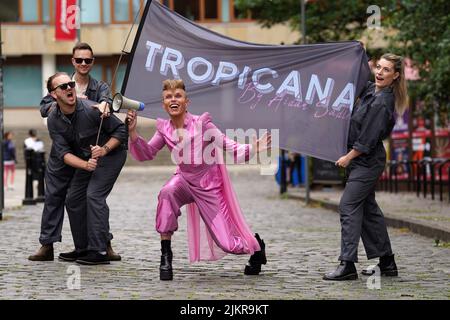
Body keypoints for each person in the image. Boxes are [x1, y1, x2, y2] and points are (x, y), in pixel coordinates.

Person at [127, 79, 271, 280]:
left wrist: (252, 149)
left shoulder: (203, 124)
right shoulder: (164, 129)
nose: (173, 99)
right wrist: (133, 133)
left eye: (178, 96)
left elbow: (227, 144)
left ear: (187, 102)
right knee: (167, 193)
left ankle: (255, 247)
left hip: (209, 185)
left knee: (227, 244)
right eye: (169, 97)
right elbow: (147, 153)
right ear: (164, 104)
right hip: (184, 180)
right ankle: (165, 256)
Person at [29, 42, 118, 261]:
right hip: (64, 150)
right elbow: (44, 108)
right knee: (54, 197)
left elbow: (107, 104)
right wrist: (65, 103)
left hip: (89, 150)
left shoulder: (100, 87)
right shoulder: (62, 83)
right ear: (73, 61)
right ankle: (47, 244)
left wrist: (102, 105)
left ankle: (103, 244)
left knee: (93, 198)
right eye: (79, 60)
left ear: (92, 62)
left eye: (88, 60)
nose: (83, 64)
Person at [323, 53, 409, 281]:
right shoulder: (372, 90)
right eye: (378, 67)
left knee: (348, 206)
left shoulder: (382, 102)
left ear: (396, 75)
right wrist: (357, 53)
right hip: (361, 161)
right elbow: (358, 77)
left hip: (366, 161)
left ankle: (347, 264)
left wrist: (348, 157)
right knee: (368, 210)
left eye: (386, 70)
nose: (380, 72)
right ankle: (387, 262)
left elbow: (368, 140)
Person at [41, 72, 127, 265]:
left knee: (94, 195)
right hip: (88, 158)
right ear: (54, 95)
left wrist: (104, 149)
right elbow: (63, 154)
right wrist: (86, 164)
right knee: (73, 199)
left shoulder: (91, 109)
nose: (69, 88)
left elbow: (122, 130)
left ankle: (99, 251)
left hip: (113, 154)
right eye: (63, 87)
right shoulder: (54, 118)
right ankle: (83, 249)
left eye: (70, 84)